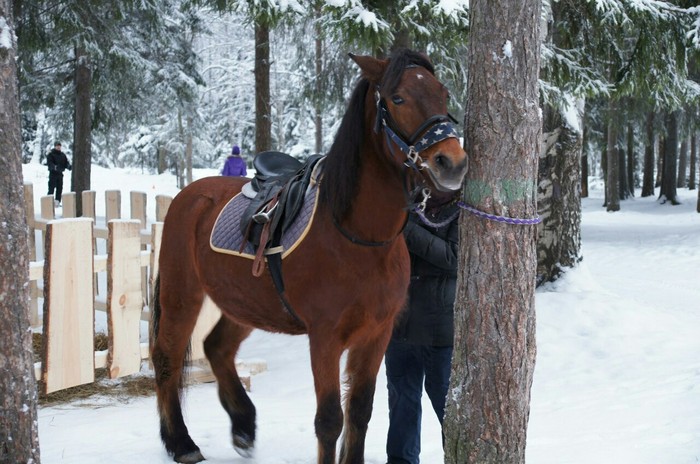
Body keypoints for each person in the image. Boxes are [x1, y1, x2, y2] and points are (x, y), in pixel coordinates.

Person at [385, 188, 460, 464]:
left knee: (446, 405)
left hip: (439, 330)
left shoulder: (465, 211)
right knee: (401, 401)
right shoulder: (412, 204)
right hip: (400, 325)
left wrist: (406, 229)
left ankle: (456, 458)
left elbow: (453, 259)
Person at [46, 142, 71, 206]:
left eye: (59, 146)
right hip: (53, 174)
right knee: (51, 188)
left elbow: (66, 163)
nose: (58, 147)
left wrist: (69, 167)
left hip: (60, 174)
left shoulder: (63, 155)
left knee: (59, 188)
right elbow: (49, 163)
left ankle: (57, 202)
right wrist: (54, 167)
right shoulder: (51, 154)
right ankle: (49, 202)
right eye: (57, 146)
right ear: (55, 146)